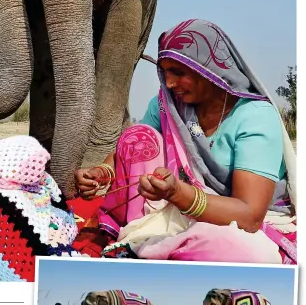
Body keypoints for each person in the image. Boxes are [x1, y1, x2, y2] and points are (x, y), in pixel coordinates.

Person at [75, 19, 296, 264]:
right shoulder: (168, 105)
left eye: (179, 72)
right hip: (174, 210)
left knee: (236, 250)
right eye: (165, 71)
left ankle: (146, 247)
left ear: (209, 70)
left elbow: (249, 216)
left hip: (236, 223)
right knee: (137, 136)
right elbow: (127, 149)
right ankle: (141, 236)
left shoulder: (254, 116)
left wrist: (179, 193)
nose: (169, 83)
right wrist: (102, 173)